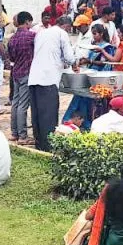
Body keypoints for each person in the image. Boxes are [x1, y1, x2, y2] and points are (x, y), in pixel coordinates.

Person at [28, 16, 78, 152]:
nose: (69, 30)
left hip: (34, 78)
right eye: (69, 28)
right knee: (48, 116)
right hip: (48, 79)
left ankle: (38, 143)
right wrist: (74, 63)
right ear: (65, 25)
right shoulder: (61, 33)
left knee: (37, 113)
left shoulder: (41, 33)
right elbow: (69, 56)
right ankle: (48, 146)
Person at [7, 11, 35, 144]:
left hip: (16, 73)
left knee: (15, 103)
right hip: (26, 73)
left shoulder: (12, 39)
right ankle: (23, 136)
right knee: (23, 105)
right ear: (27, 22)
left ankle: (14, 133)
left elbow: (11, 58)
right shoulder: (31, 36)